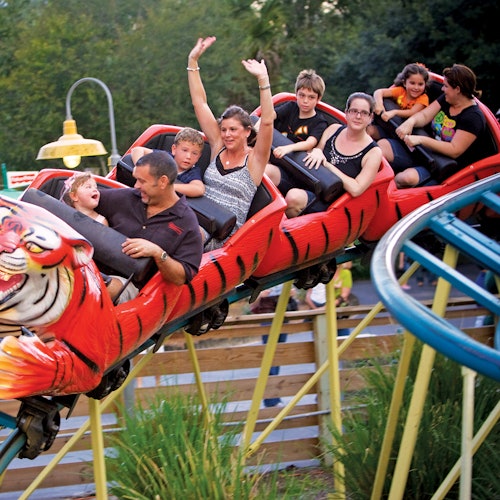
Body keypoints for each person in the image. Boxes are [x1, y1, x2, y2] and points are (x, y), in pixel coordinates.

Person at [187, 36, 274, 250]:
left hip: (222, 237)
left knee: (187, 235)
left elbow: (268, 122)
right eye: (224, 129)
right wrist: (192, 62)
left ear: (246, 132)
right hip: (196, 218)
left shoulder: (255, 160)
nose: (226, 134)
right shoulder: (218, 146)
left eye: (233, 130)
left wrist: (263, 80)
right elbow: (199, 103)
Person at [97, 150, 203, 302]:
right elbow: (83, 200)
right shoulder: (126, 197)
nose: (136, 185)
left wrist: (158, 253)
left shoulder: (186, 222)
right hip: (93, 268)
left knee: (98, 287)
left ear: (163, 182)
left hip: (132, 288)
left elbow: (183, 276)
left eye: (142, 181)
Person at [378, 64, 487, 188]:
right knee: (381, 147)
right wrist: (411, 122)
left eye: (446, 86)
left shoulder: (473, 117)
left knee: (404, 178)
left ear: (457, 89)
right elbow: (424, 116)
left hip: (441, 168)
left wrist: (421, 139)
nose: (442, 89)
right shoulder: (447, 99)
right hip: (422, 151)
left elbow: (454, 150)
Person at [283, 92, 382, 217]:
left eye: (364, 113)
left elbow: (357, 189)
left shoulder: (373, 152)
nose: (358, 116)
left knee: (294, 197)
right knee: (270, 172)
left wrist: (328, 166)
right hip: (307, 178)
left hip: (329, 201)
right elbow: (314, 153)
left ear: (370, 117)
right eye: (353, 111)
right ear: (346, 112)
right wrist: (317, 151)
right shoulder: (333, 129)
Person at [258, 69, 329, 191]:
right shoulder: (291, 107)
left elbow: (310, 143)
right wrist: (260, 122)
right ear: (296, 94)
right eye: (302, 95)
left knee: (263, 170)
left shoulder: (319, 122)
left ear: (318, 99)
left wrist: (288, 148)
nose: (305, 101)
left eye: (311, 97)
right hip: (272, 156)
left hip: (292, 169)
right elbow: (272, 115)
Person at [251, 283, 298, 407]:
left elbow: (294, 296)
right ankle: (271, 400)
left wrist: (292, 294)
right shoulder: (262, 279)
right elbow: (252, 304)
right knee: (270, 359)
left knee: (277, 358)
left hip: (283, 317)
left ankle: (273, 398)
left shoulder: (286, 278)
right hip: (268, 319)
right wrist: (261, 295)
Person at [130, 127, 205, 198]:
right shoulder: (165, 157)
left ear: (199, 157)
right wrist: (139, 167)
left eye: (194, 153)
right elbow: (137, 150)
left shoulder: (193, 172)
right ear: (174, 149)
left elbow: (199, 189)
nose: (188, 156)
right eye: (184, 150)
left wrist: (167, 186)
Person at [367, 62, 429, 140]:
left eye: (420, 84)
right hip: (391, 125)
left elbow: (412, 112)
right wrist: (379, 104)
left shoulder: (423, 98)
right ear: (405, 83)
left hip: (407, 131)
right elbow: (379, 92)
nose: (416, 87)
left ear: (425, 85)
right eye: (412, 83)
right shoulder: (401, 91)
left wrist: (394, 112)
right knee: (369, 130)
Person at [305, 262, 354, 335]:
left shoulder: (345, 273)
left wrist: (326, 307)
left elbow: (344, 295)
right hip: (322, 308)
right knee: (321, 335)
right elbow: (310, 293)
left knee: (342, 334)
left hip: (337, 311)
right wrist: (316, 309)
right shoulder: (321, 274)